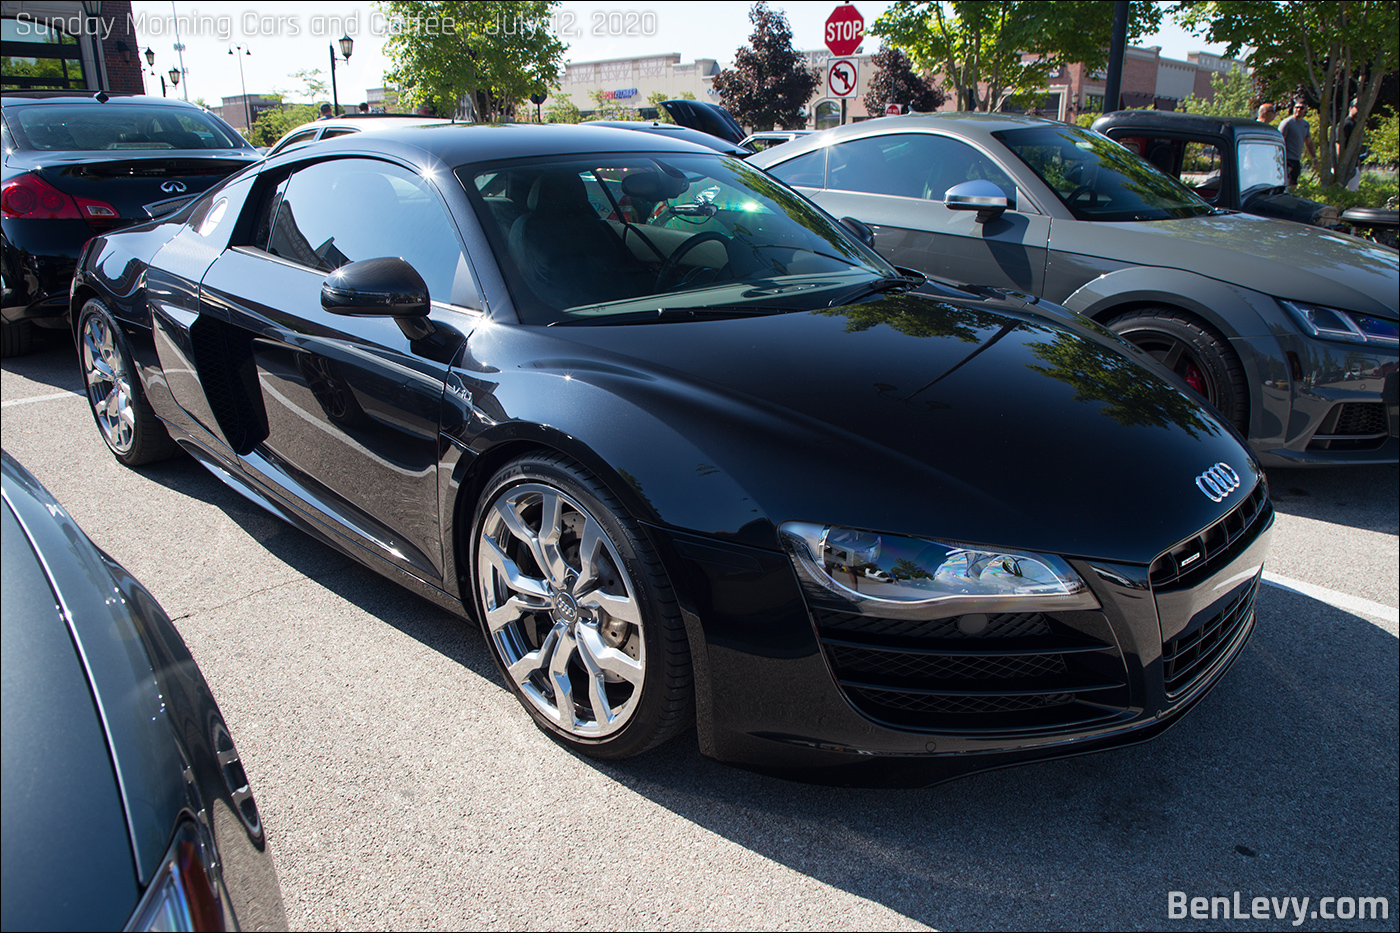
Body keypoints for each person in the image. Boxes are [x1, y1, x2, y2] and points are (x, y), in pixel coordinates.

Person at [1278, 99, 1316, 187]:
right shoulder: (1287, 123)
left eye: (1301, 108)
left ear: (1305, 109)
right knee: (1287, 186)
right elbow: (1279, 141)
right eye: (1296, 107)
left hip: (1296, 160)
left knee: (1293, 186)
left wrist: (1314, 158)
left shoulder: (1305, 124)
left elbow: (1309, 142)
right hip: (1286, 160)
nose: (1298, 110)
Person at [1338, 99, 1363, 191]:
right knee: (1341, 189)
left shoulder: (1357, 125)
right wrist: (1339, 162)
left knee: (1354, 191)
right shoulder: (1346, 123)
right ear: (1350, 108)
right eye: (1357, 107)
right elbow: (1338, 144)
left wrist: (1358, 164)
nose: (1359, 109)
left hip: (1354, 164)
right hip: (1345, 164)